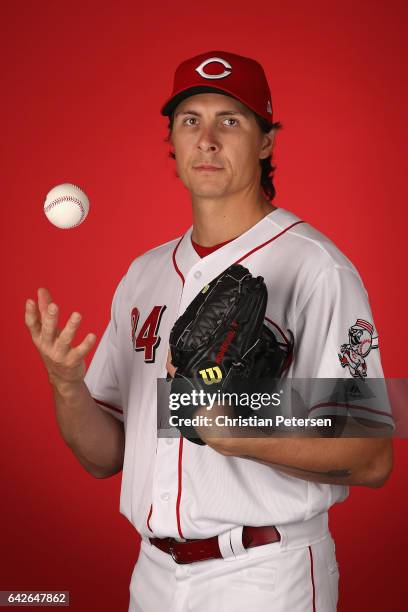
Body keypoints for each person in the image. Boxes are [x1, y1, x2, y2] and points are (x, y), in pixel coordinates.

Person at [25, 50, 393, 611]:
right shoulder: (145, 274)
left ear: (266, 141)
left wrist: (235, 433)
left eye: (231, 119)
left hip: (266, 575)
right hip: (152, 574)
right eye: (190, 120)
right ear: (172, 143)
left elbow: (371, 456)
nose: (208, 138)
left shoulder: (316, 267)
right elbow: (104, 456)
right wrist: (68, 387)